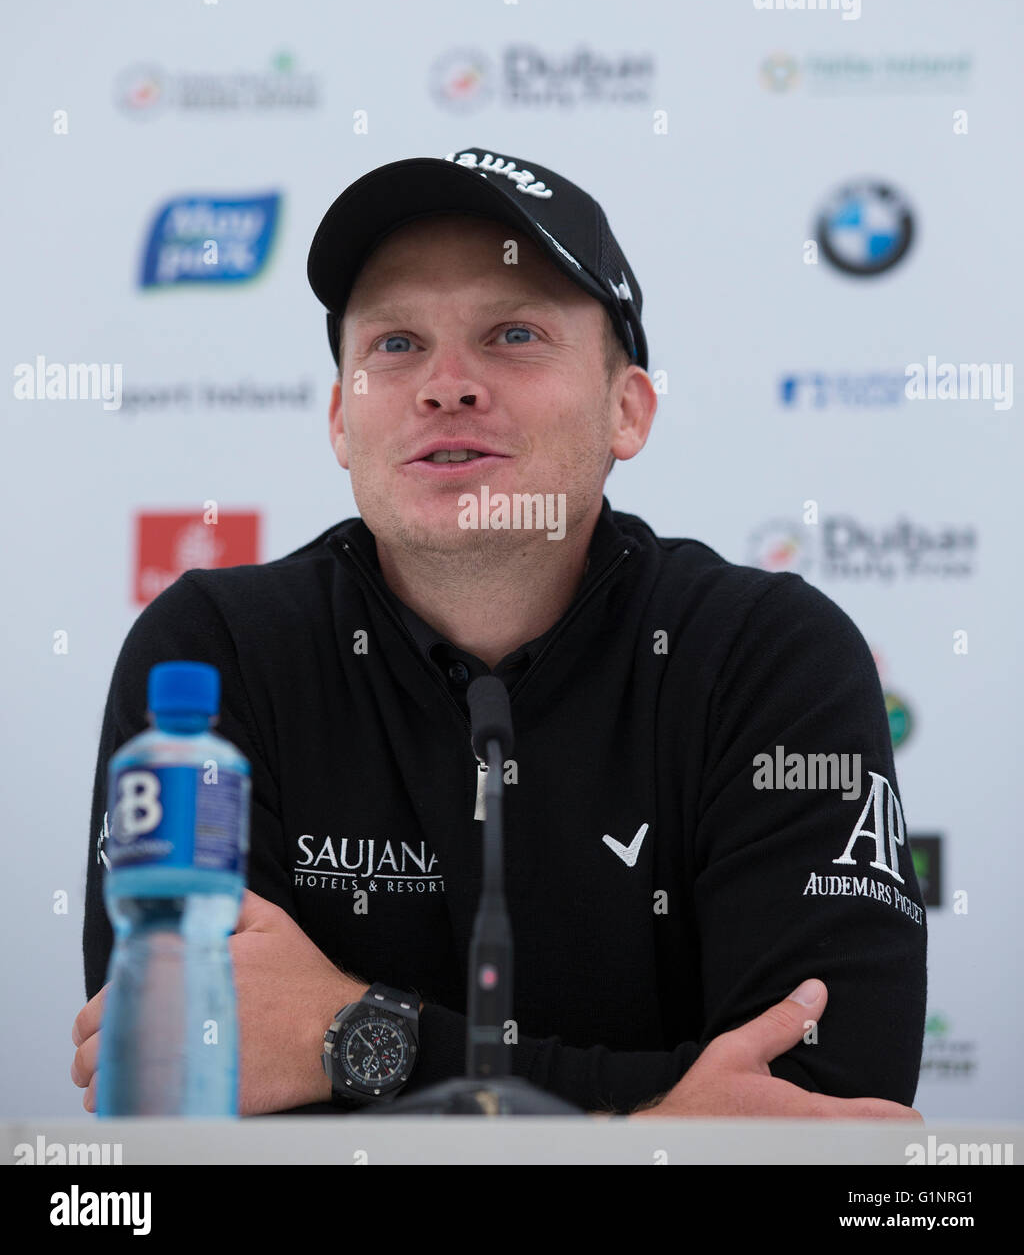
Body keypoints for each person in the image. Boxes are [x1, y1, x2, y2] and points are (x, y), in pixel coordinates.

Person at [73, 147, 926, 1121]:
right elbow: (175, 1071)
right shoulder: (213, 651)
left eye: (512, 332)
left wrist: (350, 1034)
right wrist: (654, 1120)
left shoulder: (767, 657)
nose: (445, 385)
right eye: (394, 344)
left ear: (626, 409)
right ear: (341, 422)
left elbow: (821, 1116)